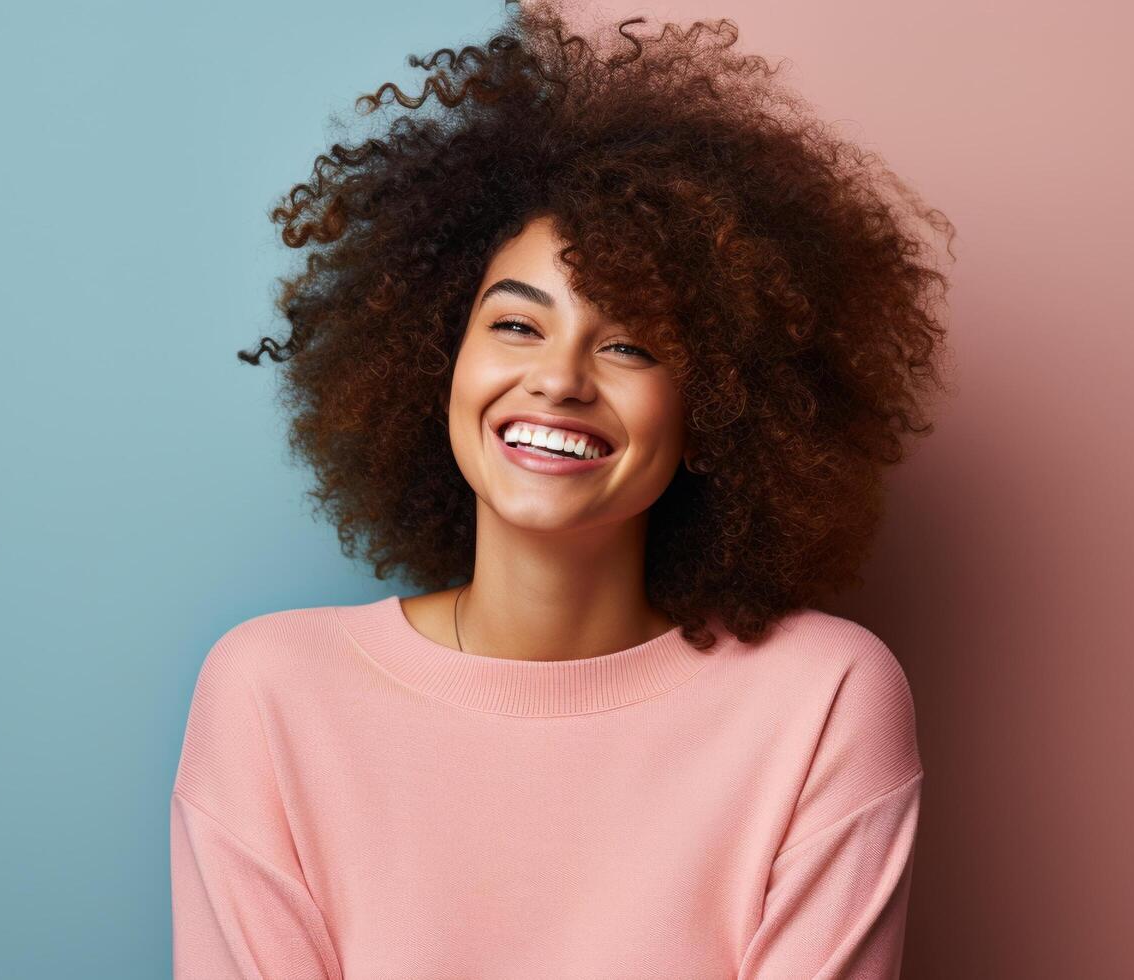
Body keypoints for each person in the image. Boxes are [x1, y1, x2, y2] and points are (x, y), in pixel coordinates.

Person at [170, 2, 955, 976]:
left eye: (628, 343)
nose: (562, 377)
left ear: (713, 401)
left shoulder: (821, 700)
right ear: (434, 360)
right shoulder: (272, 693)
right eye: (516, 324)